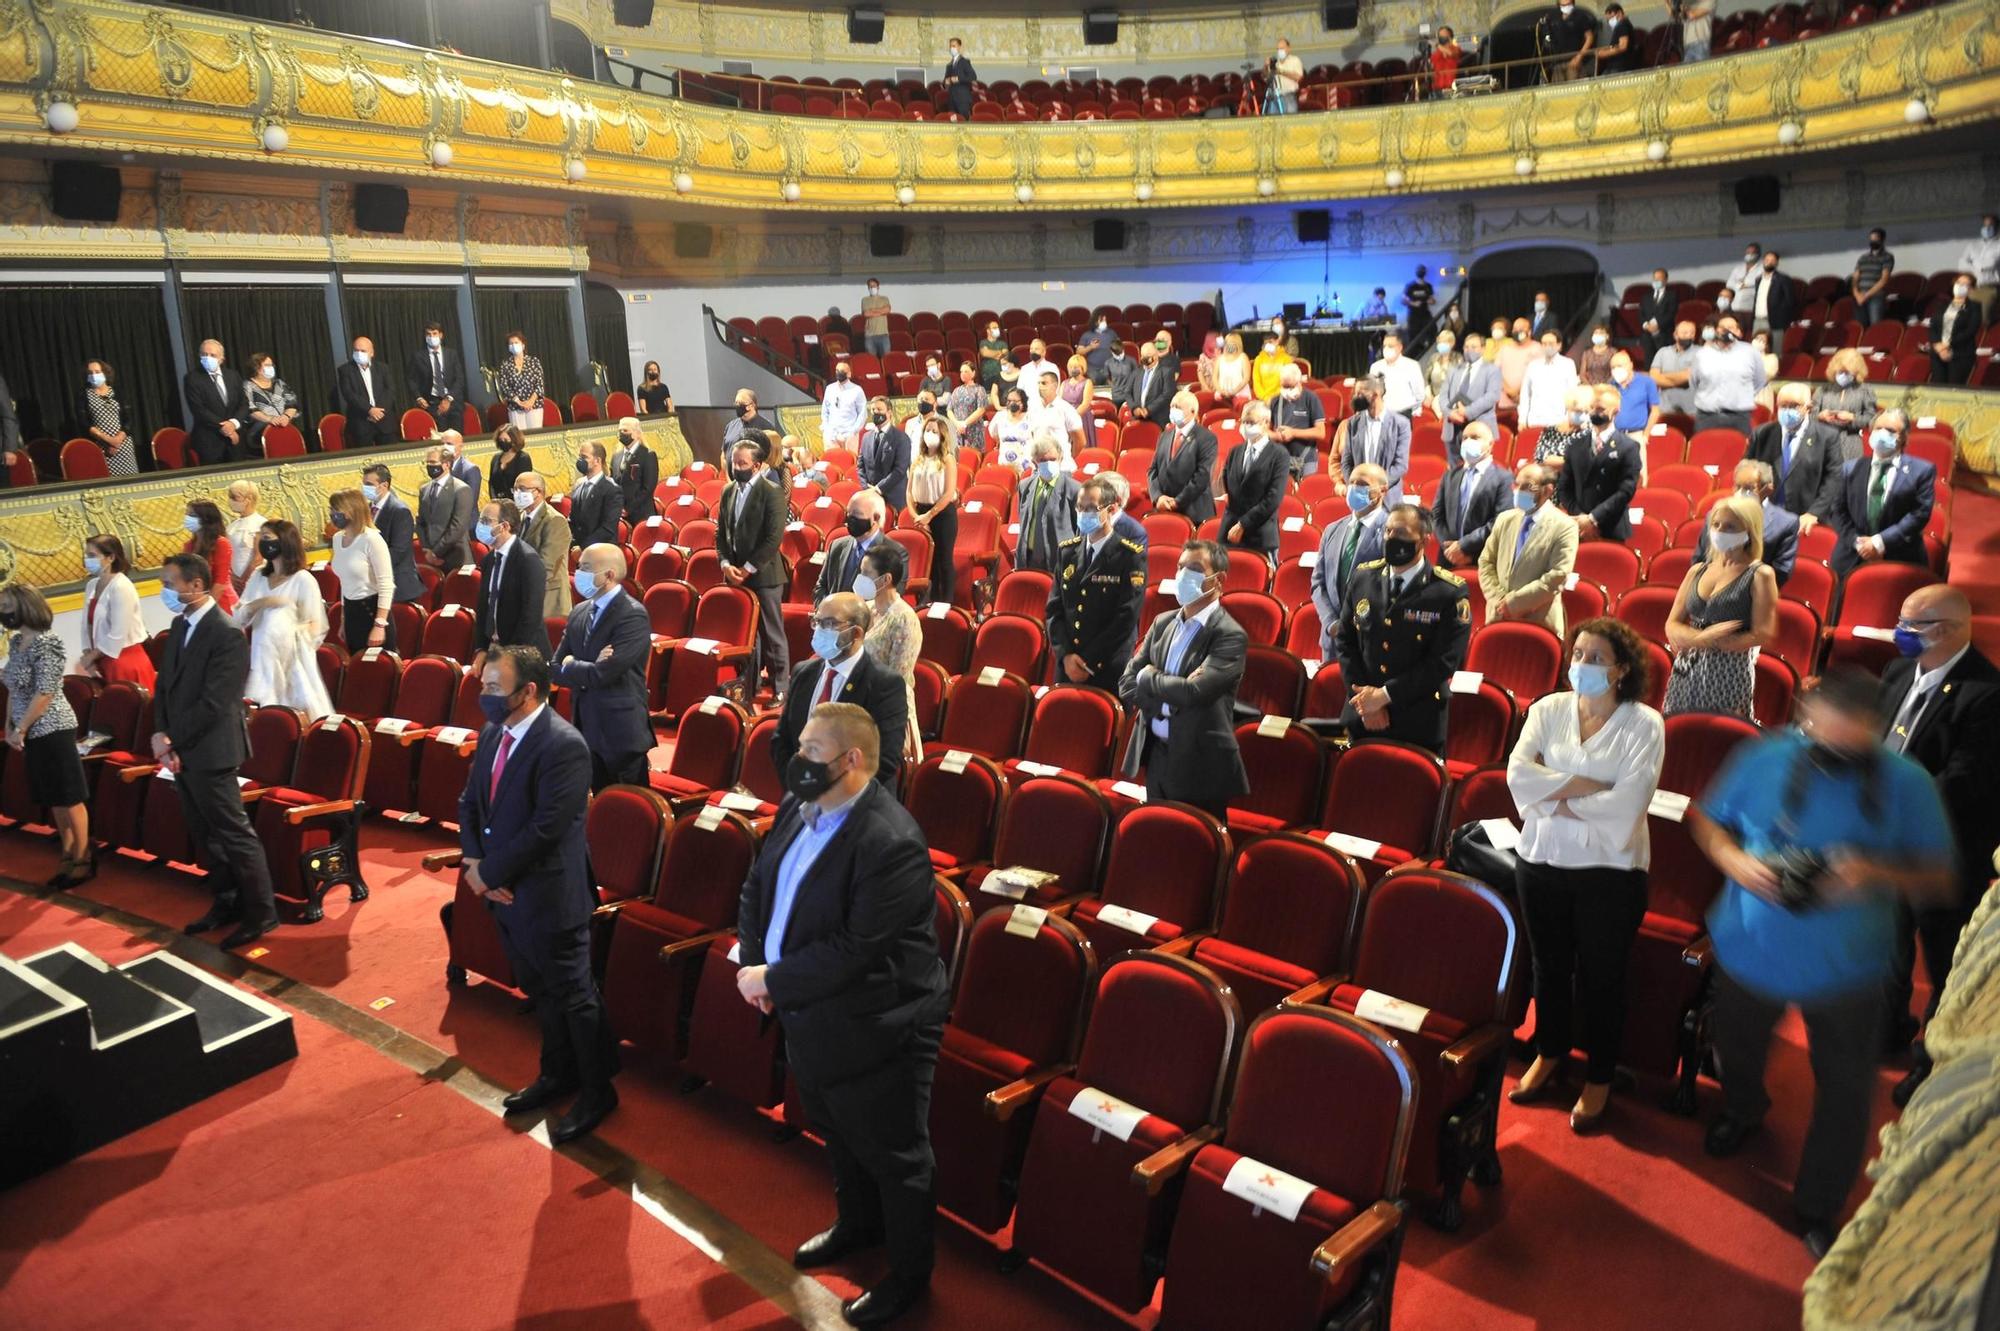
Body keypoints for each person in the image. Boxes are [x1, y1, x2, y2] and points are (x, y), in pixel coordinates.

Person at [1691, 667, 1955, 1259]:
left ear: (1876, 730)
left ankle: (1817, 1204)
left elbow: (1940, 876)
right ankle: (1744, 1108)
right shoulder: (1764, 755)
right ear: (1806, 715)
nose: (1832, 747)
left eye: (1852, 738)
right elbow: (1707, 821)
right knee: (1735, 1049)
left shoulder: (1908, 783)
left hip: (1849, 969)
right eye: (1822, 733)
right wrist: (1735, 863)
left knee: (1845, 1090)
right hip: (1747, 948)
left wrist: (1874, 873)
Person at [735, 699, 948, 1328]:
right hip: (808, 1009)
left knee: (895, 1154)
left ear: (852, 760)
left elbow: (856, 951)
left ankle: (909, 1274)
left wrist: (773, 977)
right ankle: (858, 1224)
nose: (797, 760)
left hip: (878, 1022)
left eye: (812, 751)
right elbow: (759, 887)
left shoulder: (891, 841)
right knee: (837, 1128)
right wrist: (756, 968)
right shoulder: (798, 810)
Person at [1505, 617, 1665, 1132]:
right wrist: (1589, 786)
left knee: (1602, 977)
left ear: (1621, 669)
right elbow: (1516, 776)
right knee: (1548, 968)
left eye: (1595, 658)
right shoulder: (1549, 709)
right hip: (1541, 860)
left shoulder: (1645, 724)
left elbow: (1630, 803)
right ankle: (1550, 1053)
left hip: (1610, 873)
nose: (1582, 665)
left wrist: (1553, 795)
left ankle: (1598, 1075)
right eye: (1577, 654)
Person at [462, 645, 618, 1145]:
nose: (483, 694)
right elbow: (470, 804)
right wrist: (473, 863)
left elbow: (546, 828)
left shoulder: (564, 745)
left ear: (528, 691)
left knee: (574, 996)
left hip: (549, 894)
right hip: (503, 891)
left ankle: (598, 1090)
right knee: (540, 990)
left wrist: (489, 873)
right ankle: (557, 1074)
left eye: (492, 687)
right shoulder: (493, 732)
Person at [1876, 585, 2000, 1103]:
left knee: (1942, 959)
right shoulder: (1898, 672)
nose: (1900, 633)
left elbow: (1964, 782)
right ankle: (1887, 1029)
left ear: (1948, 631)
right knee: (1889, 942)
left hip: (1945, 853)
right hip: (1883, 841)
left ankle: (1931, 1059)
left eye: (1912, 625)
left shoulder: (1987, 695)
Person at [153, 552, 279, 949]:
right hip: (182, 749)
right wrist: (161, 735)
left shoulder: (225, 633)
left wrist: (174, 739)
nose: (165, 591)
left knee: (234, 834)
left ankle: (262, 913)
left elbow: (216, 702)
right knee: (206, 834)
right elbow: (165, 687)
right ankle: (226, 901)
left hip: (212, 748)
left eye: (169, 584)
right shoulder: (179, 623)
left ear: (194, 585)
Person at [1117, 541, 1248, 817]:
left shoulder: (1229, 634)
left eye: (1195, 569)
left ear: (1219, 579)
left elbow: (1194, 692)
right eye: (1180, 567)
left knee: (1191, 849)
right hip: (1156, 755)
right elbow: (1127, 682)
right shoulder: (1162, 623)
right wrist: (1164, 694)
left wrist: (1149, 676)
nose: (1183, 575)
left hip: (1200, 765)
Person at [1333, 505, 1471, 755]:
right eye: (1387, 531)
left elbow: (1444, 662)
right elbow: (1345, 640)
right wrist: (1366, 703)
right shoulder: (1363, 577)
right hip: (1362, 719)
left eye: (1402, 533)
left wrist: (1384, 696)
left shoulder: (1448, 592)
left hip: (1417, 721)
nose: (1391, 538)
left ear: (1423, 540)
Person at [3, 583, 94, 887]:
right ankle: (67, 854)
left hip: (52, 727)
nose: (3, 612)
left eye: (7, 606)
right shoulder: (17, 643)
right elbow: (14, 689)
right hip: (27, 729)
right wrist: (9, 724)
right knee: (54, 796)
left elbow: (46, 691)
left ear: (24, 607)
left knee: (70, 796)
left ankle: (83, 859)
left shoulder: (48, 642)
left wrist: (22, 727)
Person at [773, 594, 908, 787]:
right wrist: (798, 785)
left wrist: (828, 793)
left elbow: (884, 760)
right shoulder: (803, 672)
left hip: (854, 806)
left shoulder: (885, 684)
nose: (819, 630)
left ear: (856, 634)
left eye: (829, 624)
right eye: (817, 621)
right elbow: (782, 739)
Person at [1662, 496, 1778, 720]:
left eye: (1730, 526)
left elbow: (1764, 633)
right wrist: (1703, 639)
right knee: (1677, 732)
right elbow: (1672, 624)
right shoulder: (1697, 570)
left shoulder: (1760, 574)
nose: (1720, 531)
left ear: (1749, 531)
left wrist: (1701, 640)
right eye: (1716, 525)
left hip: (1728, 672)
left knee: (1720, 737)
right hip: (1686, 669)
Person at [552, 545, 652, 792]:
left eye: (585, 568)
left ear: (608, 575)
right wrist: (585, 665)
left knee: (624, 811)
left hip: (620, 732)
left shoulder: (632, 615)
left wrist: (572, 665)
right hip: (584, 725)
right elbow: (554, 668)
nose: (579, 573)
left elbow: (604, 673)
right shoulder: (579, 611)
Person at [1048, 477, 1146, 694]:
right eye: (1080, 507)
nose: (1083, 513)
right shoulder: (1067, 552)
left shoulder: (1129, 556)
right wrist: (1065, 655)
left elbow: (1126, 616)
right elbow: (1054, 610)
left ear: (1111, 510)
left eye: (1091, 508)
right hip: (1068, 665)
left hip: (1105, 666)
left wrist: (1088, 660)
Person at [232, 518, 334, 721]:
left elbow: (316, 626)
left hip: (292, 661)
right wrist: (262, 603)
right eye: (260, 536)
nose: (261, 541)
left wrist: (288, 629)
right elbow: (240, 616)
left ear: (284, 541)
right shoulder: (259, 576)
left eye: (267, 537)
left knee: (294, 715)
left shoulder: (303, 580)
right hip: (263, 656)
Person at [718, 440, 791, 701]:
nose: (736, 467)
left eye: (742, 463)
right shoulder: (728, 491)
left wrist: (747, 569)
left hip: (764, 575)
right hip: (735, 574)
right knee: (747, 635)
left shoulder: (771, 491)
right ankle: (750, 686)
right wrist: (726, 564)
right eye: (733, 462)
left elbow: (773, 538)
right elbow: (722, 535)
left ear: (757, 465)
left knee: (771, 634)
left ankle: (781, 687)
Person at [1830, 411, 1935, 580]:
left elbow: (1919, 515)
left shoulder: (1922, 471)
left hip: (1900, 556)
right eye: (1878, 429)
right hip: (1851, 555)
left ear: (1904, 438)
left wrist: (1879, 543)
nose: (1883, 434)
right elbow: (1837, 511)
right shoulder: (1850, 468)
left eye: (1891, 431)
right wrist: (1859, 543)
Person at [1481, 464, 1580, 637]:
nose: (1518, 491)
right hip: (1497, 617)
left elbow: (1558, 575)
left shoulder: (1565, 526)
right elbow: (1486, 562)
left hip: (1538, 623)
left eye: (1527, 487)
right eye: (1516, 485)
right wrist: (1498, 600)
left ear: (1548, 491)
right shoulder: (1505, 519)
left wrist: (1514, 604)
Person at [1310, 464, 1391, 654]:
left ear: (1383, 490)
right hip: (1332, 642)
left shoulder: (1391, 531)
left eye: (1362, 484)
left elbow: (1390, 587)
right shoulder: (1332, 530)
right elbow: (1318, 582)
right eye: (1351, 482)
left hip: (1369, 643)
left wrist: (1356, 626)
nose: (1354, 488)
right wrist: (1331, 622)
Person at [856, 542, 923, 764]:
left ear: (885, 580)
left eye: (866, 574)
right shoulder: (867, 609)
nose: (860, 578)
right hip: (859, 706)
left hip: (887, 714)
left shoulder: (904, 619)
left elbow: (899, 678)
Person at [1746, 385, 1842, 536]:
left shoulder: (1827, 437)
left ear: (1808, 407)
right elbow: (1746, 471)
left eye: (1794, 406)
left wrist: (1814, 513)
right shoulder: (1762, 433)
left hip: (1804, 518)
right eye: (1783, 406)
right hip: (1765, 517)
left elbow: (1834, 479)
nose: (1787, 410)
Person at [471, 499, 551, 673]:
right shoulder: (489, 560)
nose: (480, 525)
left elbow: (530, 616)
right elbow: (484, 608)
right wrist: (481, 649)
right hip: (496, 649)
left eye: (486, 521)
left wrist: (510, 656)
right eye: (480, 520)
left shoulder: (528, 560)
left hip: (524, 655)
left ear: (504, 526)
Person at [1559, 386, 1643, 542]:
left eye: (1601, 408)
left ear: (1615, 411)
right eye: (1592, 407)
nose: (1594, 412)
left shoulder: (1629, 447)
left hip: (1612, 528)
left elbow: (1626, 491)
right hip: (1578, 529)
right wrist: (1581, 519)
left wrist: (1593, 518)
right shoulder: (1575, 445)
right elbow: (1564, 488)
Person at [1697, 461, 1799, 586]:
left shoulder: (1785, 523)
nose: (1740, 493)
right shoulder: (1715, 516)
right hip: (1711, 588)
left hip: (1755, 593)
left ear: (1767, 489)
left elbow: (1782, 571)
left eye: (1748, 488)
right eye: (1737, 486)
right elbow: (1700, 557)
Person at [77, 533, 156, 689]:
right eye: (86, 555)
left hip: (125, 661)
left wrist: (91, 657)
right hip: (102, 660)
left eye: (92, 555)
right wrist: (88, 656)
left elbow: (118, 633)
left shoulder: (121, 586)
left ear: (111, 557)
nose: (87, 560)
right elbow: (86, 626)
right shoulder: (92, 585)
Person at [1221, 401, 1290, 567]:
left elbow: (1273, 498)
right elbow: (1226, 482)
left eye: (1251, 422)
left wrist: (1243, 524)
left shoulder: (1279, 454)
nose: (1246, 426)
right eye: (1244, 422)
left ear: (1266, 423)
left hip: (1260, 533)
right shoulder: (1235, 451)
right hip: (1229, 532)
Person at [328, 488, 397, 652]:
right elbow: (345, 582)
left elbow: (386, 584)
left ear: (351, 510)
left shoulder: (372, 539)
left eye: (336, 510)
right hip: (352, 612)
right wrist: (344, 618)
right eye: (331, 510)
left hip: (371, 610)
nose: (332, 514)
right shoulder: (338, 539)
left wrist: (380, 624)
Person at [1435, 422, 1511, 569]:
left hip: (1482, 559)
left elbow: (1500, 521)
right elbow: (1437, 515)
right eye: (1465, 438)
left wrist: (1464, 546)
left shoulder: (1503, 478)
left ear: (1490, 444)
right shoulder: (1450, 476)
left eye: (1475, 437)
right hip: (1447, 559)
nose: (1468, 442)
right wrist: (1449, 548)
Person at [1335, 376, 1412, 507]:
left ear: (1375, 394)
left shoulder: (1401, 424)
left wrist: (1376, 488)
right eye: (1355, 393)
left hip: (1387, 500)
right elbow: (1346, 462)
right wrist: (1354, 485)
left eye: (1360, 393)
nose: (1356, 397)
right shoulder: (1353, 423)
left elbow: (1400, 465)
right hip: (1359, 499)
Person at [907, 414, 959, 606]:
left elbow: (948, 493)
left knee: (943, 560)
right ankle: (929, 601)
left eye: (934, 431)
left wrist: (930, 516)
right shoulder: (918, 459)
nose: (930, 434)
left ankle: (945, 602)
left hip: (942, 514)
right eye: (927, 430)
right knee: (928, 562)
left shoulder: (947, 459)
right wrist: (917, 516)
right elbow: (909, 491)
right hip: (921, 513)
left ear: (942, 435)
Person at [509, 471, 575, 619]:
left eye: (522, 489)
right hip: (524, 594)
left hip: (548, 599)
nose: (517, 494)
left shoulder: (555, 521)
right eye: (515, 489)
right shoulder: (521, 516)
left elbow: (546, 565)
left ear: (538, 492)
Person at [1689, 316, 1766, 439]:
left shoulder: (1751, 353)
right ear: (1716, 330)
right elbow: (1694, 382)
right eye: (1722, 327)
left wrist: (1741, 396)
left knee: (1740, 456)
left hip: (1739, 417)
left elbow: (1760, 381)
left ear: (1738, 332)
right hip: (1707, 417)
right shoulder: (1702, 354)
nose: (1726, 330)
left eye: (1731, 327)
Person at [362, 463, 425, 608]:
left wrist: (369, 565)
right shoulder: (366, 509)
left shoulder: (399, 511)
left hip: (398, 586)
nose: (365, 488)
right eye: (364, 484)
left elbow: (399, 551)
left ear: (383, 485)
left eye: (369, 484)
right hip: (374, 584)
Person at [1015, 437, 1081, 573]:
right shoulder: (1024, 486)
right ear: (1034, 462)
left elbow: (1080, 530)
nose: (1048, 464)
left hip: (1060, 561)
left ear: (1061, 458)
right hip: (1028, 559)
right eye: (1043, 461)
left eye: (1052, 459)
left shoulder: (1074, 489)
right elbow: (1024, 523)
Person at [1149, 391, 1217, 522]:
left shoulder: (1206, 438)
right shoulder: (1164, 435)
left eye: (1178, 407)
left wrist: (1177, 502)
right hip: (1164, 509)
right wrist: (1158, 498)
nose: (1173, 410)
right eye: (1172, 406)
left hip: (1194, 511)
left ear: (1192, 411)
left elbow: (1202, 476)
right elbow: (1152, 470)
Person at [183, 338, 249, 465]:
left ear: (221, 359)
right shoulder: (192, 378)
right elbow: (199, 410)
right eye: (204, 354)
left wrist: (233, 424)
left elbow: (243, 404)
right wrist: (226, 428)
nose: (207, 358)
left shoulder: (233, 376)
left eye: (212, 355)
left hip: (236, 440)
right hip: (210, 441)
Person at [816, 491, 886, 604]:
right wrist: (827, 610)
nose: (850, 519)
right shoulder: (836, 546)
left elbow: (887, 599)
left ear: (876, 518)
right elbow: (821, 586)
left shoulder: (889, 553)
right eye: (848, 513)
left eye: (857, 514)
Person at [1438, 331, 1501, 455]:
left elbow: (1492, 396)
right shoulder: (1454, 369)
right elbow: (1443, 396)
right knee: (1454, 470)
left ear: (1482, 349)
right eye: (1466, 347)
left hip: (1480, 427)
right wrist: (1449, 413)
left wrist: (1467, 412)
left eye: (1473, 347)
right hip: (1453, 428)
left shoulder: (1492, 370)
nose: (1469, 350)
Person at [1811, 349, 1878, 464]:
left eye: (1847, 373)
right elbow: (1809, 416)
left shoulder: (1865, 391)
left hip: (1851, 443)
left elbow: (1871, 419)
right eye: (1840, 372)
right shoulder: (1823, 390)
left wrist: (1852, 418)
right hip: (1824, 442)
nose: (1843, 375)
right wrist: (1820, 417)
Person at [417, 444, 477, 570]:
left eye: (433, 462)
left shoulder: (461, 489)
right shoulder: (424, 489)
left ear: (446, 464)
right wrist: (427, 549)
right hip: (431, 557)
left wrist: (436, 552)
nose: (429, 466)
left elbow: (458, 526)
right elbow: (421, 521)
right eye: (427, 462)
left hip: (456, 556)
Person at [78, 358, 138, 476]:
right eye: (90, 373)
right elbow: (84, 423)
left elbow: (129, 420)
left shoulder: (118, 392)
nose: (94, 375)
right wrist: (107, 440)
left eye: (97, 372)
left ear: (105, 373)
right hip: (101, 447)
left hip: (123, 446)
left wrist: (117, 441)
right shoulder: (83, 395)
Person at [335, 335, 398, 447]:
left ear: (371, 353)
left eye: (363, 351)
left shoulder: (383, 368)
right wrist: (369, 410)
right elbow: (349, 394)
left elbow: (390, 391)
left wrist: (378, 412)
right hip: (361, 422)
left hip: (384, 422)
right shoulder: (345, 370)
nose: (359, 353)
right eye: (356, 350)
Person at [1269, 363, 1327, 478]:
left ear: (1299, 382)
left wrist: (1293, 433)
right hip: (1282, 460)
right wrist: (1277, 436)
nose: (1287, 391)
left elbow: (1321, 432)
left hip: (1306, 459)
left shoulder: (1311, 399)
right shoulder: (1275, 401)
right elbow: (1264, 431)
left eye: (1290, 386)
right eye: (1284, 387)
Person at [856, 396, 911, 515]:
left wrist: (878, 489)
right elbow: (860, 466)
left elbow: (900, 470)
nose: (876, 413)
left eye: (879, 410)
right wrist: (867, 488)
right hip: (870, 498)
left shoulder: (901, 438)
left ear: (889, 413)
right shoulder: (866, 437)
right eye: (873, 410)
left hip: (894, 498)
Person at [408, 321, 467, 431]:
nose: (431, 337)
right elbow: (412, 380)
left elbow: (459, 379)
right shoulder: (418, 356)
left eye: (434, 333)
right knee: (439, 440)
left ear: (440, 335)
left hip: (453, 403)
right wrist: (418, 397)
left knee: (456, 437)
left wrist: (448, 399)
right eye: (428, 334)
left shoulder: (451, 354)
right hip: (432, 404)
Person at [182, 499, 238, 614]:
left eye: (192, 515)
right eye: (187, 514)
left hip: (220, 603)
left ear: (206, 518)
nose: (187, 518)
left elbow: (220, 583)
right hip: (198, 603)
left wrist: (204, 609)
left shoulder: (221, 543)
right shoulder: (189, 546)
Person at [565, 440, 620, 549]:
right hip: (579, 551)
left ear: (597, 461)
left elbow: (607, 529)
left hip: (602, 552)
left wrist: (583, 547)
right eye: (579, 456)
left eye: (584, 457)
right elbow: (573, 520)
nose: (580, 461)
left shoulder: (612, 489)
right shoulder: (579, 485)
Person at [1519, 331, 1580, 430]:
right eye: (1544, 343)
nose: (1547, 346)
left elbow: (1573, 394)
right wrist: (1522, 420)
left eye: (1551, 343)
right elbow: (1525, 394)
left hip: (1558, 421)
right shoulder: (1533, 365)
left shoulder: (1567, 364)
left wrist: (1568, 419)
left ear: (1559, 345)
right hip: (1535, 421)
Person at [1929, 275, 1982, 385]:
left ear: (1971, 289)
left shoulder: (1974, 307)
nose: (1959, 286)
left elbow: (1970, 331)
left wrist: (1946, 344)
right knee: (1937, 388)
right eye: (1958, 282)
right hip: (1938, 353)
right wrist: (1938, 346)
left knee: (1955, 388)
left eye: (1964, 284)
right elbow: (1933, 327)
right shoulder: (1943, 305)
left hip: (1960, 353)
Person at [609, 417, 658, 525]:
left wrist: (628, 508)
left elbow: (648, 487)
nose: (622, 433)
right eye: (620, 431)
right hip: (620, 513)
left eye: (625, 431)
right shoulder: (616, 457)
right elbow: (613, 484)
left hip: (641, 513)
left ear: (637, 433)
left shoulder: (648, 455)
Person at [1027, 371, 1085, 459]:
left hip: (1061, 464)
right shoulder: (1032, 408)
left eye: (1044, 383)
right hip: (1038, 462)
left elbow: (1080, 440)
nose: (1040, 387)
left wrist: (1069, 458)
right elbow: (1031, 435)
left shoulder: (1066, 408)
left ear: (1054, 386)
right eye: (1038, 383)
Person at [1648, 320, 1701, 418]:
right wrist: (1679, 378)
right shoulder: (1663, 352)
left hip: (1691, 410)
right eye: (1685, 333)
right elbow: (1653, 378)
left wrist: (1662, 377)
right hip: (1664, 409)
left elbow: (1687, 376)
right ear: (1675, 335)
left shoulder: (1700, 352)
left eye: (1692, 333)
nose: (1689, 336)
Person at [222, 479, 267, 590]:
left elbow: (258, 558)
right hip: (234, 583)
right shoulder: (231, 527)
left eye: (234, 497)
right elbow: (227, 555)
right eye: (230, 497)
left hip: (256, 581)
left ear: (249, 499)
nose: (230, 501)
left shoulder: (261, 523)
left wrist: (243, 580)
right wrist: (231, 577)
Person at [496, 331, 546, 431]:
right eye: (511, 344)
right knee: (518, 437)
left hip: (534, 406)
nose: (513, 345)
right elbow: (505, 387)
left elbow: (540, 384)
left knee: (535, 435)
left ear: (523, 345)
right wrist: (519, 402)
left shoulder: (534, 362)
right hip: (515, 408)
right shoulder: (505, 365)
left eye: (516, 342)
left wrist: (530, 401)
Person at [1369, 333, 1427, 418]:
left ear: (1400, 347)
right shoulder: (1376, 367)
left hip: (1404, 415)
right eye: (1384, 346)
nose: (1386, 349)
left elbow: (1420, 394)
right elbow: (1372, 393)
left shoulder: (1412, 366)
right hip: (1381, 415)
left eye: (1391, 346)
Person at [1958, 212, 2000, 321]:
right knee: (1960, 314)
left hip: (1991, 288)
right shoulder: (1973, 245)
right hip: (1973, 287)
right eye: (1985, 226)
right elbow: (1961, 264)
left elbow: (1991, 263)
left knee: (1984, 317)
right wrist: (1976, 268)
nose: (1987, 229)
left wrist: (1973, 264)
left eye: (1990, 226)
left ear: (1996, 227)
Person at [1607, 351, 1660, 436]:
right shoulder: (1610, 385)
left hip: (1637, 434)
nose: (1616, 369)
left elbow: (1655, 411)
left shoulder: (1646, 382)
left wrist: (1646, 435)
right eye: (1613, 367)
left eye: (1619, 366)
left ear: (1631, 365)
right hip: (1615, 435)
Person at [1540, 0, 1595, 81]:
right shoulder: (1555, 18)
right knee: (1558, 89)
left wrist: (1579, 57)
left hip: (1574, 60)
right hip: (1558, 62)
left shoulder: (1580, 17)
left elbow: (1589, 37)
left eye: (1568, 4)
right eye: (1563, 5)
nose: (1566, 7)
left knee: (1574, 87)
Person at [1851, 228, 1896, 329]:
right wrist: (1856, 294)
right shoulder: (1863, 258)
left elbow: (1884, 279)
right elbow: (1855, 278)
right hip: (1860, 297)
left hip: (1875, 297)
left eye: (1875, 239)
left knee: (1875, 327)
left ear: (1882, 240)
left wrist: (1866, 295)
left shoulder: (1887, 257)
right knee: (1860, 327)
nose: (1872, 242)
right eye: (1871, 239)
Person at [822, 360, 868, 448]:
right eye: (837, 371)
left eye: (842, 371)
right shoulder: (829, 389)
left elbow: (862, 414)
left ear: (849, 374)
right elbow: (825, 411)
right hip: (832, 434)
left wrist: (853, 431)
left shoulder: (857, 390)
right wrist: (827, 429)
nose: (839, 373)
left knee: (850, 460)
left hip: (850, 433)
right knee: (832, 460)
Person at [1637, 269, 1679, 362]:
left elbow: (1671, 313)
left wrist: (1657, 325)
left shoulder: (1672, 295)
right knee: (1648, 360)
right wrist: (1646, 325)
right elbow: (1641, 314)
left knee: (1664, 360)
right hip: (1647, 334)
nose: (1656, 281)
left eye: (1659, 278)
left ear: (1665, 280)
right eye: (1655, 278)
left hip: (1664, 333)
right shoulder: (1646, 297)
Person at [946, 362, 987, 454]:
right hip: (958, 430)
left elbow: (981, 410)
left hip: (974, 431)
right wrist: (957, 424)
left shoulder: (979, 390)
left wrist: (964, 424)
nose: (963, 374)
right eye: (961, 372)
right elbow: (949, 410)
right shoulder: (956, 390)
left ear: (973, 373)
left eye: (966, 371)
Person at [1132, 341, 1176, 425]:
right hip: (1140, 419)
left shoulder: (1167, 371)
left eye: (1147, 357)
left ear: (1155, 356)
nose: (1144, 359)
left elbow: (1167, 395)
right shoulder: (1138, 372)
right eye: (1143, 356)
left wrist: (1148, 410)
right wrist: (1136, 409)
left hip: (1159, 419)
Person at [490, 421, 534, 501]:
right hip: (499, 502)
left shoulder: (523, 458)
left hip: (517, 502)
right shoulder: (496, 458)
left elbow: (524, 484)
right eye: (501, 439)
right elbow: (491, 483)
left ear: (514, 440)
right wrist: (494, 500)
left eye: (506, 440)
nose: (503, 442)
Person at [1058, 357, 1096, 448]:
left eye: (1076, 367)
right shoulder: (1064, 383)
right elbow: (1059, 402)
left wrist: (1072, 417)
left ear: (1082, 368)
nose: (1073, 369)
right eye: (1071, 367)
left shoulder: (1087, 382)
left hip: (1081, 417)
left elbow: (1085, 403)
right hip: (1065, 419)